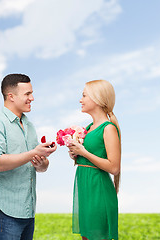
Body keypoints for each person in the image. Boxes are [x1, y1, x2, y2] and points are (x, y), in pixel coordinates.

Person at [0, 73, 57, 240]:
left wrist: (42, 161)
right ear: (11, 97)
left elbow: (41, 167)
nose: (32, 98)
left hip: (28, 210)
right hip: (5, 212)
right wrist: (33, 153)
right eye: (27, 94)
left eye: (31, 93)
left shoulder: (29, 125)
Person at [68, 80, 121, 240]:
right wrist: (76, 156)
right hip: (85, 189)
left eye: (84, 95)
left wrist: (83, 151)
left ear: (97, 99)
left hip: (98, 190)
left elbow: (114, 167)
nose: (80, 100)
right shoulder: (88, 128)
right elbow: (90, 158)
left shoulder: (108, 128)